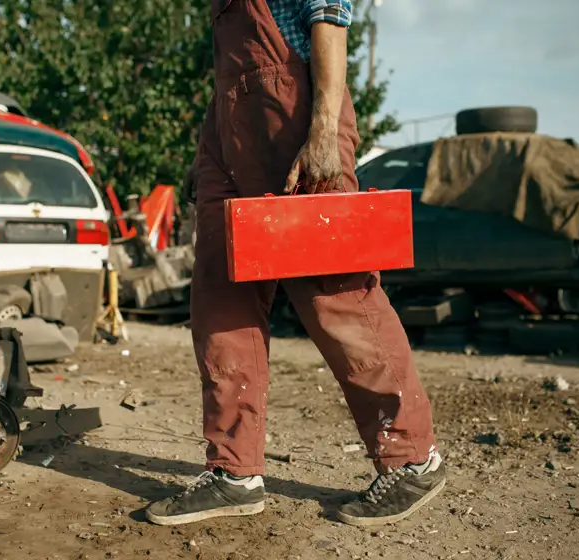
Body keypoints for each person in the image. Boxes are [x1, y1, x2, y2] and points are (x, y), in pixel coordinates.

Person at [145, 0, 445, 527]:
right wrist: (207, 148)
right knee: (221, 303)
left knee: (337, 295)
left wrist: (323, 129)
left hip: (294, 118)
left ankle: (411, 459)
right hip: (228, 132)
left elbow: (329, 14)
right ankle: (234, 472)